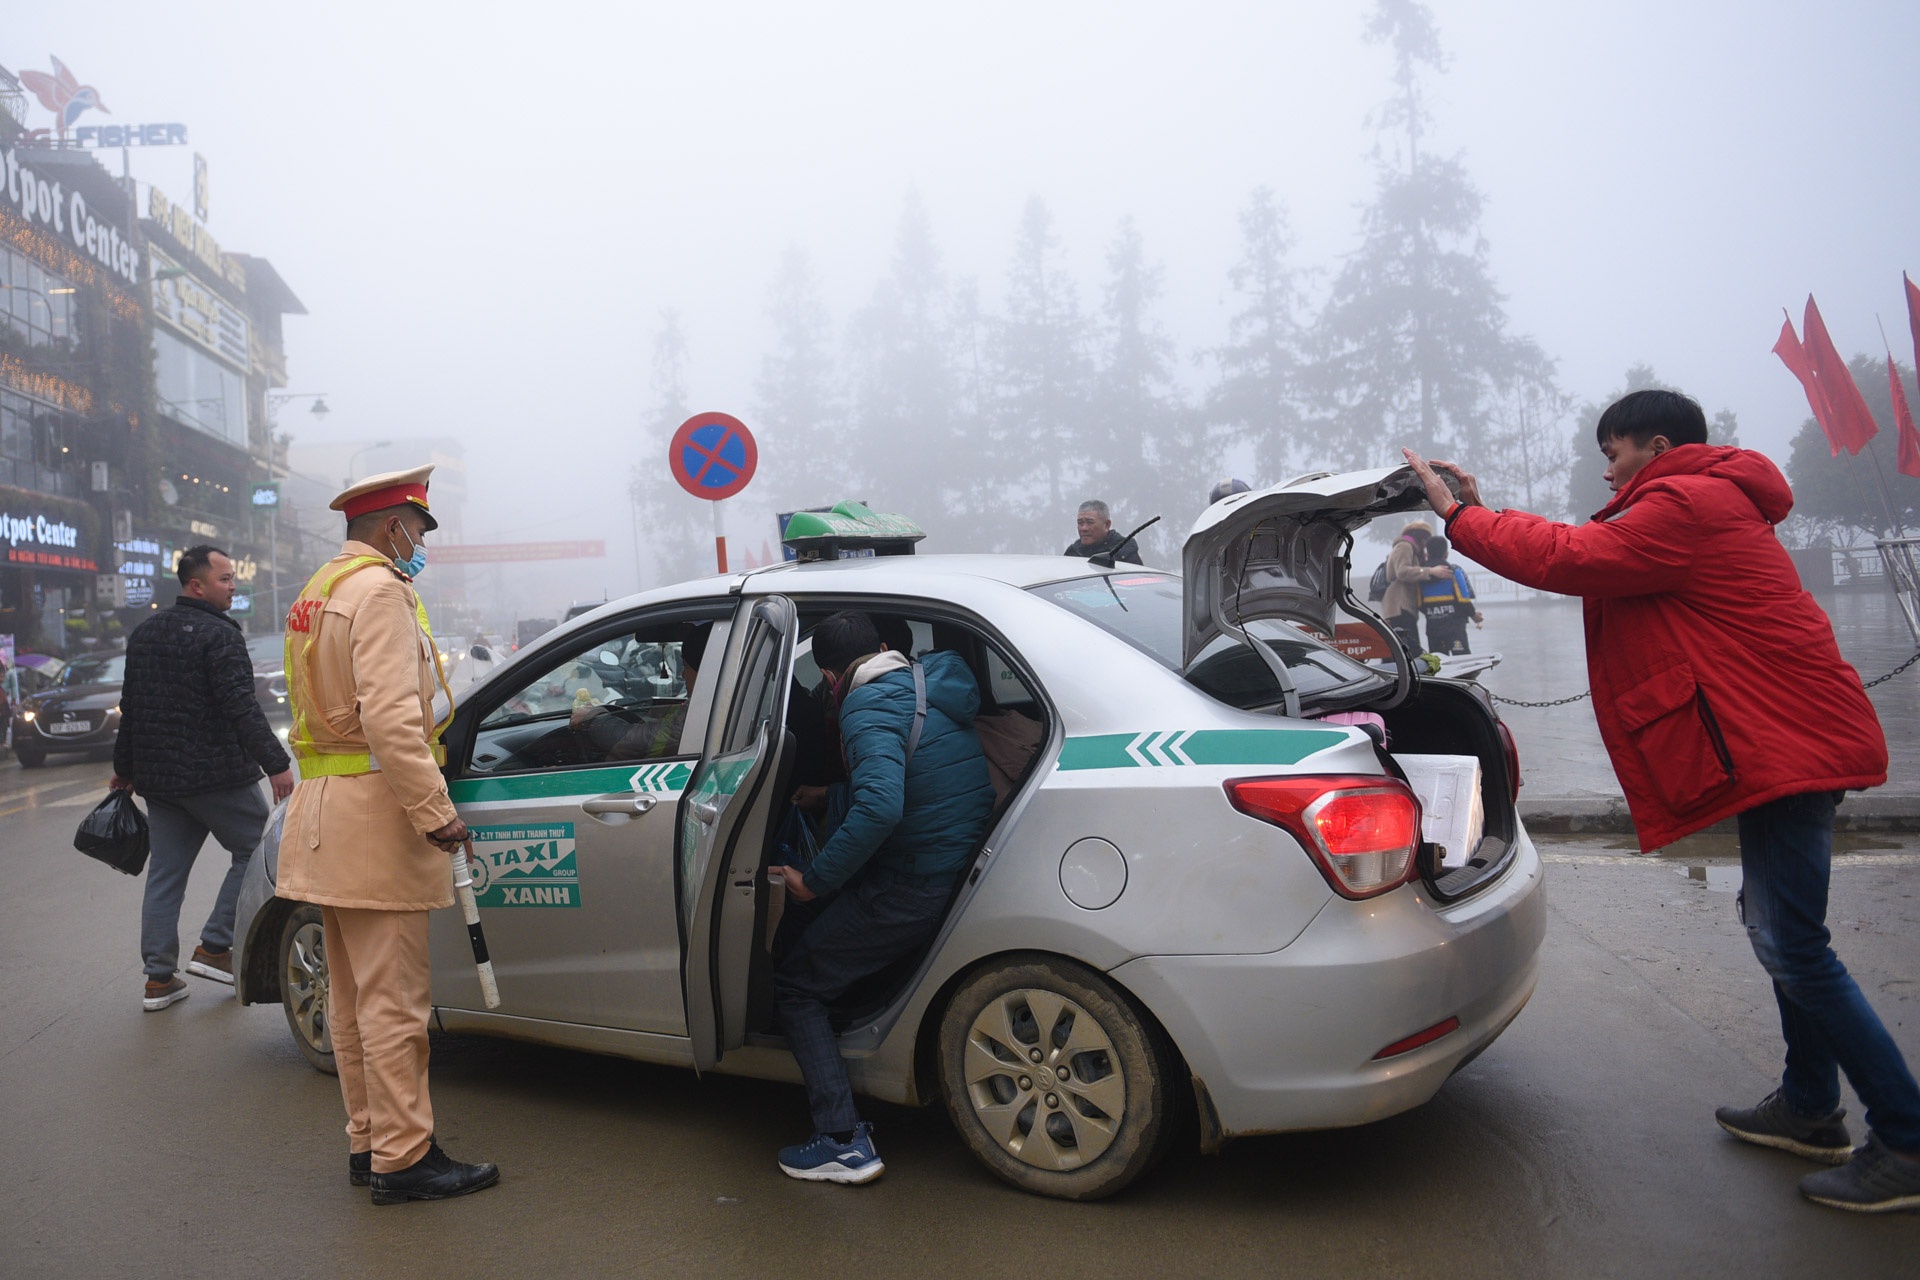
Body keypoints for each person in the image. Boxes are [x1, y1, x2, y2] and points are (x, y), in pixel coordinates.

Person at [1402, 388, 1920, 1214]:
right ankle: (1811, 1107)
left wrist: (1462, 520)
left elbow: (1570, 558)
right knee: (1781, 927)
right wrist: (1480, 508)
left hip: (1781, 740)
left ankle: (1906, 1138)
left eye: (1614, 450)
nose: (1607, 466)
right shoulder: (1690, 500)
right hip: (1778, 737)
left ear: (1656, 443)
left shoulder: (1687, 501)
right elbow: (1589, 544)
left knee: (1794, 945)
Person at [276, 465, 499, 1205]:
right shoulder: (379, 591)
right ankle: (405, 1160)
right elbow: (394, 721)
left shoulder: (319, 590)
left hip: (324, 812)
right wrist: (438, 813)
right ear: (390, 526)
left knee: (351, 997)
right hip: (374, 818)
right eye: (420, 528)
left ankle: (370, 1141)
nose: (423, 541)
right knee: (395, 1003)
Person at [770, 611, 995, 1184]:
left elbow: (881, 808)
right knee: (815, 941)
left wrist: (813, 880)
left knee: (796, 987)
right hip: (949, 865)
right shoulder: (924, 681)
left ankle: (843, 1141)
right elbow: (913, 780)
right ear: (884, 647)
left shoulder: (863, 706)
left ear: (828, 674)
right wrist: (831, 795)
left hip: (909, 885)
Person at [112, 544, 294, 1012]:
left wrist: (124, 769)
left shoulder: (146, 633)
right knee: (256, 848)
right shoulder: (220, 635)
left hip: (161, 781)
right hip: (215, 775)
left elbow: (132, 707)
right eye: (225, 579)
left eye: (233, 578)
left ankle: (158, 979)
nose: (234, 586)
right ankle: (215, 946)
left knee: (166, 874)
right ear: (197, 585)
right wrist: (276, 762)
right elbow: (240, 706)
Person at [1380, 520, 1452, 655]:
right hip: (1399, 606)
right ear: (1421, 537)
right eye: (1426, 539)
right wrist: (1430, 571)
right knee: (1408, 651)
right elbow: (1401, 571)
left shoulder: (1411, 548)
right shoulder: (1404, 546)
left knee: (1400, 650)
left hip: (1403, 606)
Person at [1418, 535, 1483, 656]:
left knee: (1439, 662)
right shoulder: (1454, 571)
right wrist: (1474, 615)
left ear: (1427, 554)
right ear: (1446, 554)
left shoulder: (1421, 576)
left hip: (1433, 629)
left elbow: (1418, 603)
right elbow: (1464, 600)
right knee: (1462, 661)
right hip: (1455, 629)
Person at [1063, 499, 1142, 564]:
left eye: (1090, 522)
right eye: (1080, 523)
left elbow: (1139, 580)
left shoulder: (1124, 550)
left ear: (1107, 525)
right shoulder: (1073, 553)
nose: (1084, 528)